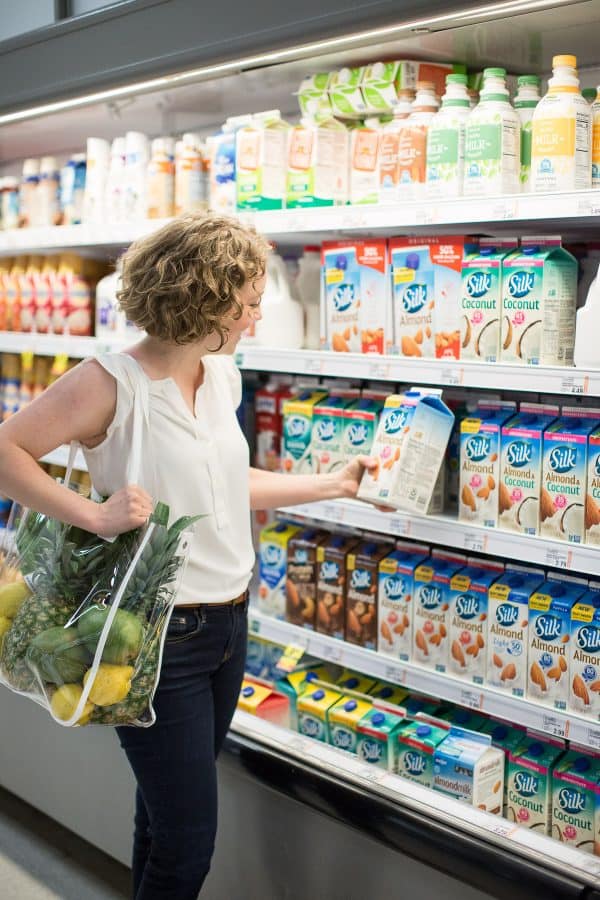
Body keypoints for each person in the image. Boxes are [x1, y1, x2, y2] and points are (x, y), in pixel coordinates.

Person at [0, 214, 377, 899]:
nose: (259, 315)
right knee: (189, 841)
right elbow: (7, 449)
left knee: (162, 818)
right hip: (157, 637)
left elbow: (226, 483)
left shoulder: (221, 376)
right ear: (204, 297)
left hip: (229, 626)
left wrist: (333, 486)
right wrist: (93, 513)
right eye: (250, 301)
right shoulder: (109, 383)